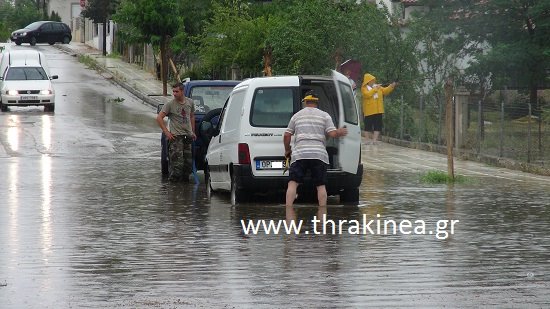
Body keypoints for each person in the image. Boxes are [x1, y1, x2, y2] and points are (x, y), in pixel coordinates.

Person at [283, 92, 348, 220]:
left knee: (293, 183)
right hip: (319, 154)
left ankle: (288, 213)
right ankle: (322, 214)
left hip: (300, 154)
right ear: (316, 102)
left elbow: (286, 135)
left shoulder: (297, 116)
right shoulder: (324, 115)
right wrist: (340, 132)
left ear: (305, 102)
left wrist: (287, 150)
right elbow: (333, 134)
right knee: (320, 185)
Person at [156, 83, 196, 182]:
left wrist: (193, 131)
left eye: (176, 91)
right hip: (176, 138)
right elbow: (159, 118)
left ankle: (184, 192)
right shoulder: (170, 104)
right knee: (177, 166)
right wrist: (167, 132)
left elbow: (191, 116)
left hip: (187, 137)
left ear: (182, 91)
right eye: (173, 91)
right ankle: (173, 190)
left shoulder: (190, 102)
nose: (174, 93)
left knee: (188, 166)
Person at [361, 73, 397, 144]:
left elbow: (385, 91)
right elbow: (367, 95)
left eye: (374, 80)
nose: (373, 81)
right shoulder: (364, 88)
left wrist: (391, 86)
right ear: (368, 81)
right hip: (369, 110)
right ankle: (367, 140)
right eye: (372, 80)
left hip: (378, 110)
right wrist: (375, 89)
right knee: (368, 126)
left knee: (378, 126)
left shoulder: (378, 87)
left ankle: (374, 140)